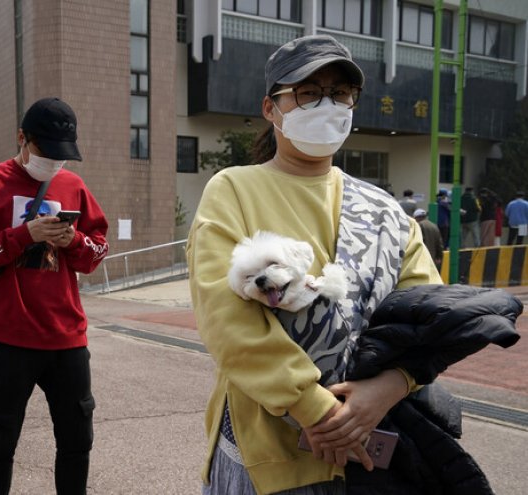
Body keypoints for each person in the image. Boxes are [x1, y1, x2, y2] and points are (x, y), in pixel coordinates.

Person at [187, 35, 442, 494]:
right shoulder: (234, 190)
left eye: (340, 93)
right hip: (267, 456)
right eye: (308, 92)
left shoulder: (384, 209)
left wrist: (384, 391)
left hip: (373, 450)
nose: (327, 104)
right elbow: (226, 320)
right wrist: (317, 408)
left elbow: (428, 314)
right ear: (272, 107)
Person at [0, 97, 109, 495]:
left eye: (63, 155)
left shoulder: (74, 185)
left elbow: (97, 252)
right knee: (0, 439)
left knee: (77, 439)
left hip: (67, 335)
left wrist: (74, 239)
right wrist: (25, 235)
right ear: (22, 138)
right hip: (8, 336)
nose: (54, 163)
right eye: (45, 152)